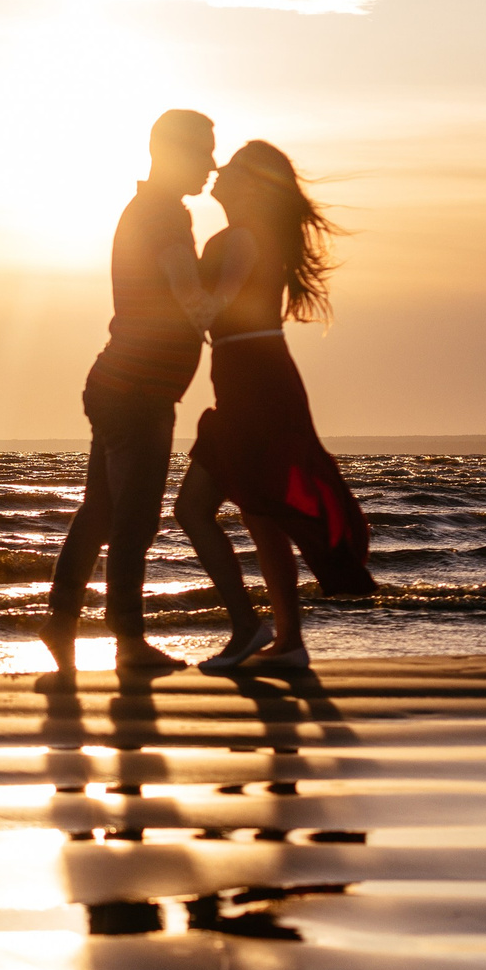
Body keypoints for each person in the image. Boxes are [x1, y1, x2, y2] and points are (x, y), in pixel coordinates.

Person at [172, 140, 376, 673]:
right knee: (259, 510)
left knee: (199, 509)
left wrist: (172, 271)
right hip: (251, 377)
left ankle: (254, 630)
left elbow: (209, 309)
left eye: (232, 167)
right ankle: (288, 641)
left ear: (251, 186)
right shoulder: (249, 236)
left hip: (256, 382)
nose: (217, 169)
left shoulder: (241, 238)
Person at [39, 109, 217, 678]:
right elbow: (190, 295)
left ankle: (62, 619)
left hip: (121, 382)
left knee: (103, 508)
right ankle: (128, 641)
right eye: (205, 151)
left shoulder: (152, 209)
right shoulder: (163, 215)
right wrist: (240, 318)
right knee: (133, 520)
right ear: (172, 153)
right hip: (136, 388)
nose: (212, 164)